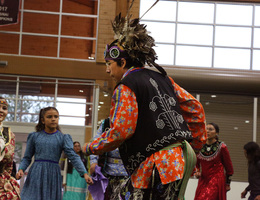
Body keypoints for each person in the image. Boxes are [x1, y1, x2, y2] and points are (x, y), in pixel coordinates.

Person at [82, 11, 207, 200]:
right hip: (180, 160)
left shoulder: (126, 86)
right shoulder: (164, 78)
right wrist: (195, 147)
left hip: (157, 165)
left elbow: (121, 131)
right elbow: (195, 109)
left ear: (122, 62)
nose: (107, 70)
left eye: (109, 64)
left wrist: (91, 147)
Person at [16, 106, 93, 200]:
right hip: (36, 172)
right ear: (42, 120)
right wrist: (21, 169)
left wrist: (84, 173)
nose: (53, 119)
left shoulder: (63, 138)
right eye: (49, 117)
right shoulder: (34, 136)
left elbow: (74, 157)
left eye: (56, 117)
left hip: (53, 174)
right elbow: (27, 157)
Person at [89, 118, 128, 200]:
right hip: (107, 174)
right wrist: (93, 162)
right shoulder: (106, 124)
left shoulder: (134, 123)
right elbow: (94, 143)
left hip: (128, 175)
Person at [194, 122, 234, 200]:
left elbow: (229, 167)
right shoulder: (200, 146)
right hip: (204, 179)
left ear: (217, 133)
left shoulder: (222, 147)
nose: (207, 131)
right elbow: (196, 163)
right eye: (206, 129)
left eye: (211, 129)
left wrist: (227, 183)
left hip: (217, 180)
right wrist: (197, 172)